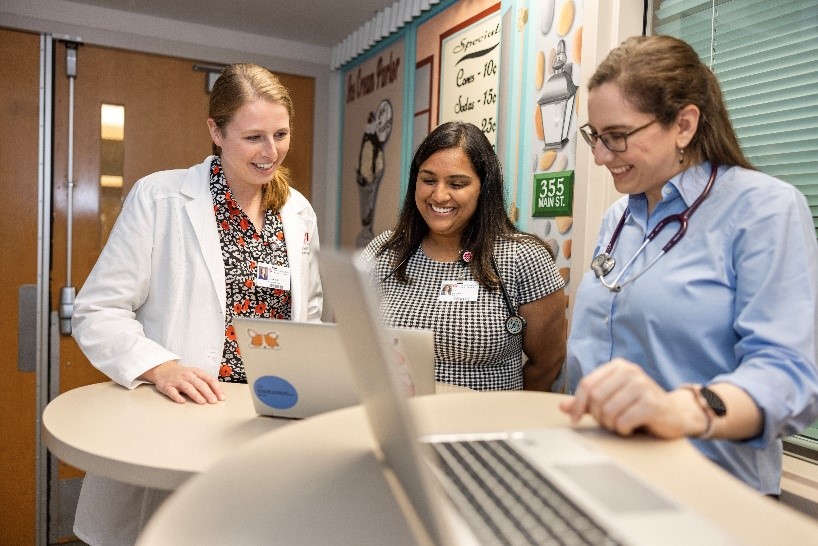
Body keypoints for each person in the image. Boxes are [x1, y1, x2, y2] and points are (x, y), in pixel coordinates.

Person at [71, 63, 323, 545]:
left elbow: (306, 317)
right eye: (253, 137)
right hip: (181, 415)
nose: (271, 152)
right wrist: (160, 367)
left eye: (281, 134)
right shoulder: (160, 198)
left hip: (263, 420)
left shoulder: (297, 210)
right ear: (215, 131)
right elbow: (98, 310)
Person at [559, 35, 818, 496]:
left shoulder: (764, 210)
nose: (599, 156)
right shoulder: (618, 219)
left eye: (617, 137)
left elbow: (789, 376)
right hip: (602, 475)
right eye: (595, 137)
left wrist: (680, 410)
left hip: (710, 493)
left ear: (684, 124)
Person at [360, 121, 567, 391]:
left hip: (484, 426)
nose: (439, 195)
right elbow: (356, 345)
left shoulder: (523, 258)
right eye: (428, 180)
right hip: (403, 425)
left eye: (457, 183)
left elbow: (547, 363)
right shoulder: (382, 252)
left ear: (484, 188)